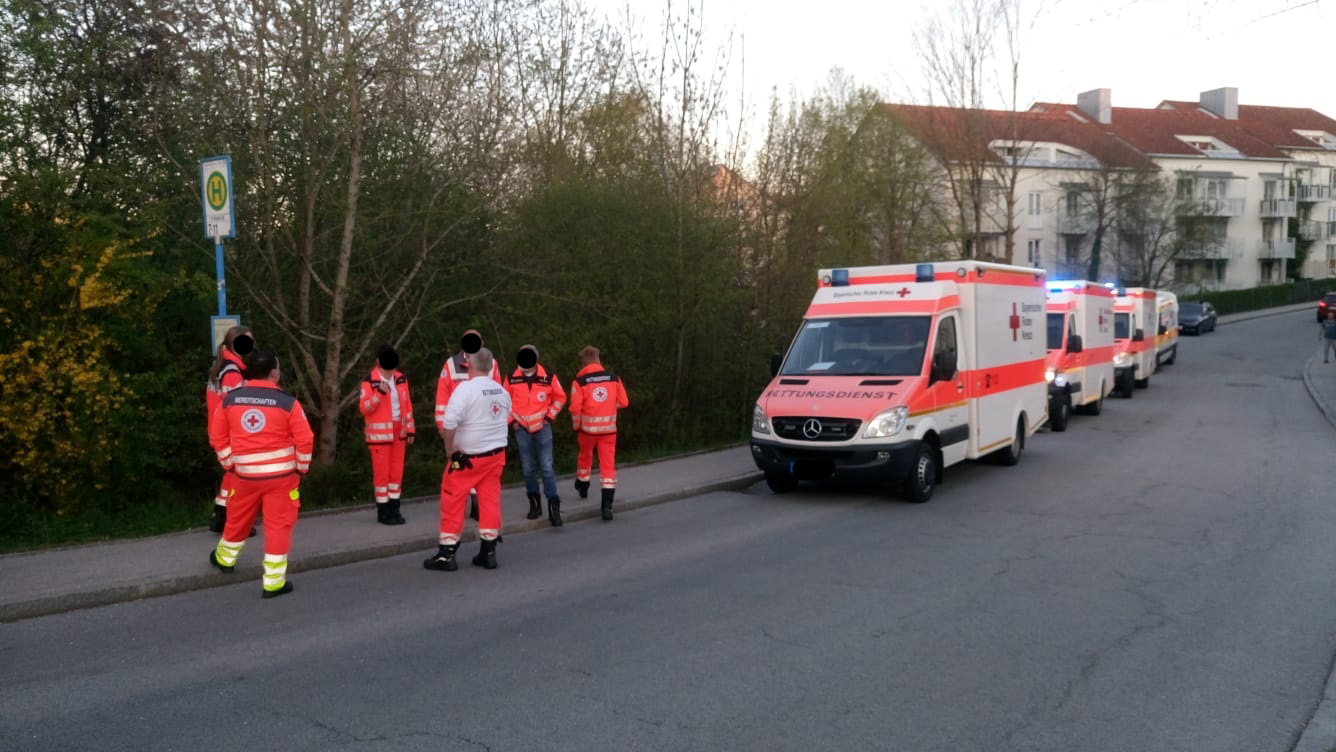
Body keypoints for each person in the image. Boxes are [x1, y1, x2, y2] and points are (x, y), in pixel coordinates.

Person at [207, 349, 314, 599]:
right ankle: (274, 582)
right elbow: (305, 439)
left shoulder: (230, 400)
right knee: (278, 527)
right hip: (282, 478)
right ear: (273, 373)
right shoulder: (288, 402)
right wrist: (301, 468)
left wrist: (229, 464)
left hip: (244, 476)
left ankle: (224, 558)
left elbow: (217, 436)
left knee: (237, 519)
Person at [424, 347, 511, 572]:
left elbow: (449, 423)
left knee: (452, 499)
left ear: (469, 366)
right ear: (491, 367)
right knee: (489, 502)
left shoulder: (466, 389)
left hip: (466, 458)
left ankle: (447, 554)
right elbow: (505, 419)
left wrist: (450, 450)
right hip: (495, 456)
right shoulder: (502, 392)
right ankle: (488, 552)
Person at [436, 329, 502, 520]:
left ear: (482, 342)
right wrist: (443, 426)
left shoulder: (492, 364)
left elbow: (497, 393)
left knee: (478, 466)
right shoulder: (451, 365)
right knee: (458, 467)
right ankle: (459, 506)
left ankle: (476, 505)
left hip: (482, 426)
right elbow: (442, 398)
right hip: (457, 427)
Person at [504, 344, 566, 526]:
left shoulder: (548, 376)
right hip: (521, 428)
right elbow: (503, 401)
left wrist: (549, 417)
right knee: (528, 469)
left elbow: (560, 397)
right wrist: (512, 422)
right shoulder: (511, 378)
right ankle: (534, 504)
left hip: (542, 427)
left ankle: (554, 507)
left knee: (546, 467)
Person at [205, 325, 256, 536]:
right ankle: (233, 521)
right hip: (231, 434)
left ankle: (221, 515)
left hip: (220, 432)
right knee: (241, 478)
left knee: (232, 475)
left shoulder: (222, 368)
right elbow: (234, 408)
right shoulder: (233, 373)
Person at [569, 345, 629, 521]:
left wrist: (576, 427)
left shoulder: (580, 381)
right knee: (608, 467)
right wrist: (609, 407)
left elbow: (575, 409)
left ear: (584, 361)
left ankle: (583, 485)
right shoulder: (613, 378)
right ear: (598, 359)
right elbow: (624, 402)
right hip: (609, 431)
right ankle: (607, 507)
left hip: (587, 431)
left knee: (585, 456)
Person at [360, 345, 415, 525]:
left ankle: (395, 509)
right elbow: (364, 408)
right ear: (378, 361)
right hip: (379, 436)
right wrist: (379, 393)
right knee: (382, 475)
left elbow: (407, 405)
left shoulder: (401, 379)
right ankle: (383, 512)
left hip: (399, 432)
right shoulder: (370, 381)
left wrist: (411, 429)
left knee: (396, 474)